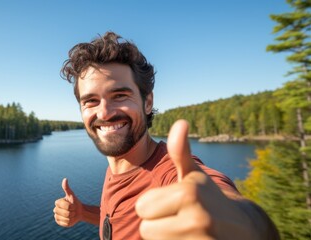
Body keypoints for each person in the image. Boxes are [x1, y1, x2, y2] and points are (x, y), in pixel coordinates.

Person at [53, 31, 280, 240]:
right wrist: (83, 212)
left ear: (148, 102)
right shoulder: (116, 167)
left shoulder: (168, 175)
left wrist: (246, 225)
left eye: (120, 95)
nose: (104, 112)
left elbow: (224, 203)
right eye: (91, 101)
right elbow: (113, 219)